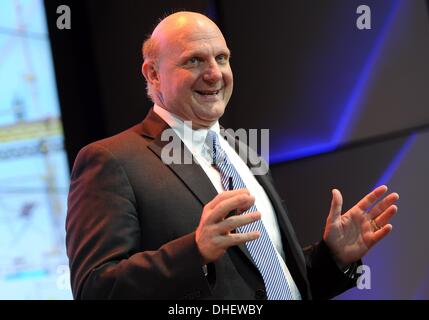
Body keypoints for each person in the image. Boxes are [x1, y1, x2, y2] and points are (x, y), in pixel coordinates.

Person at [66, 11, 399, 300]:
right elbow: (95, 289)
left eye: (221, 58)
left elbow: (269, 283)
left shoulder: (241, 150)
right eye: (193, 60)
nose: (214, 74)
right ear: (153, 74)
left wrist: (333, 257)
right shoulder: (112, 160)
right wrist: (194, 252)